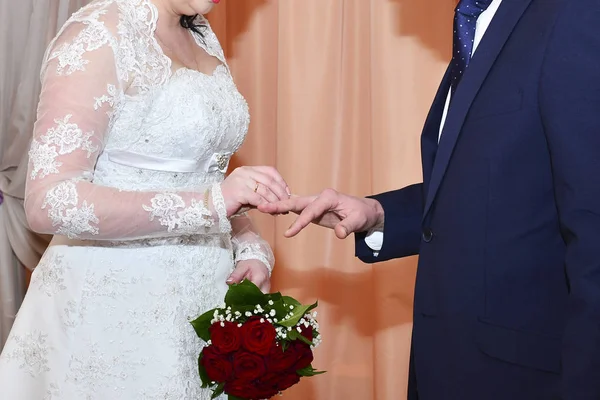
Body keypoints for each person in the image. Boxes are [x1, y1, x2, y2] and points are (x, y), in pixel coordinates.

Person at [260, 0, 600, 398]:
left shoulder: (573, 13)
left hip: (526, 378)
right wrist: (377, 213)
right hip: (449, 366)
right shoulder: (474, 26)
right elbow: (489, 188)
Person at [0, 0, 289, 398]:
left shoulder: (199, 31)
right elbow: (50, 201)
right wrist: (211, 203)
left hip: (202, 302)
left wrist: (248, 244)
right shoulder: (97, 33)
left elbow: (203, 175)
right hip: (114, 309)